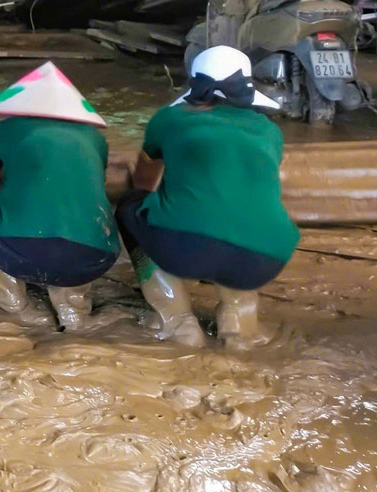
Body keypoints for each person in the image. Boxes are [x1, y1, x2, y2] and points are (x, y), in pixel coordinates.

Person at [116, 46, 299, 349]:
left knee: (130, 205)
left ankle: (177, 322)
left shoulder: (168, 120)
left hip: (185, 248)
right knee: (238, 220)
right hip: (267, 256)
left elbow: (145, 182)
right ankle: (239, 325)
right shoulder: (269, 130)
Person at [0, 62, 120, 331]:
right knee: (73, 207)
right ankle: (73, 311)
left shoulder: (5, 130)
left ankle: (11, 297)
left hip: (20, 254)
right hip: (94, 259)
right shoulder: (96, 139)